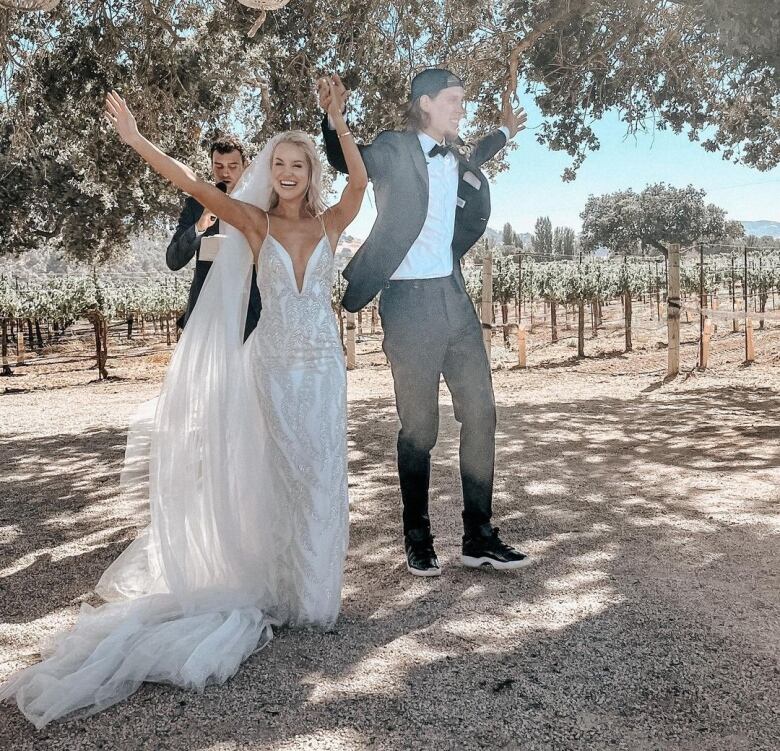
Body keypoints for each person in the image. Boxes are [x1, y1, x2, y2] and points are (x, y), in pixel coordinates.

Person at [0, 82, 367, 728]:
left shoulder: (330, 220)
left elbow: (360, 185)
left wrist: (337, 119)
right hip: (275, 369)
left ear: (309, 172)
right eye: (277, 164)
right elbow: (194, 186)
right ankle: (286, 592)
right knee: (285, 477)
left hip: (325, 371)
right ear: (268, 173)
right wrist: (138, 138)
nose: (285, 173)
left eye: (297, 165)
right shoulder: (254, 223)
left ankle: (316, 596)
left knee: (322, 477)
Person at [319, 68, 530, 577]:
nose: (461, 108)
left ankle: (478, 535)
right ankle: (418, 537)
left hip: (454, 300)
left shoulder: (454, 155)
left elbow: (476, 155)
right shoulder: (393, 148)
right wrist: (334, 119)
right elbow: (345, 161)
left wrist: (505, 132)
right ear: (427, 103)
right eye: (454, 100)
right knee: (420, 427)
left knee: (481, 414)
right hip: (407, 303)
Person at [166, 134, 262, 340]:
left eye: (233, 166)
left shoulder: (259, 207)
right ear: (211, 166)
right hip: (206, 319)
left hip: (251, 316)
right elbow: (173, 260)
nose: (225, 172)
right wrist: (201, 224)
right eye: (218, 166)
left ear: (245, 166)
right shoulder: (195, 205)